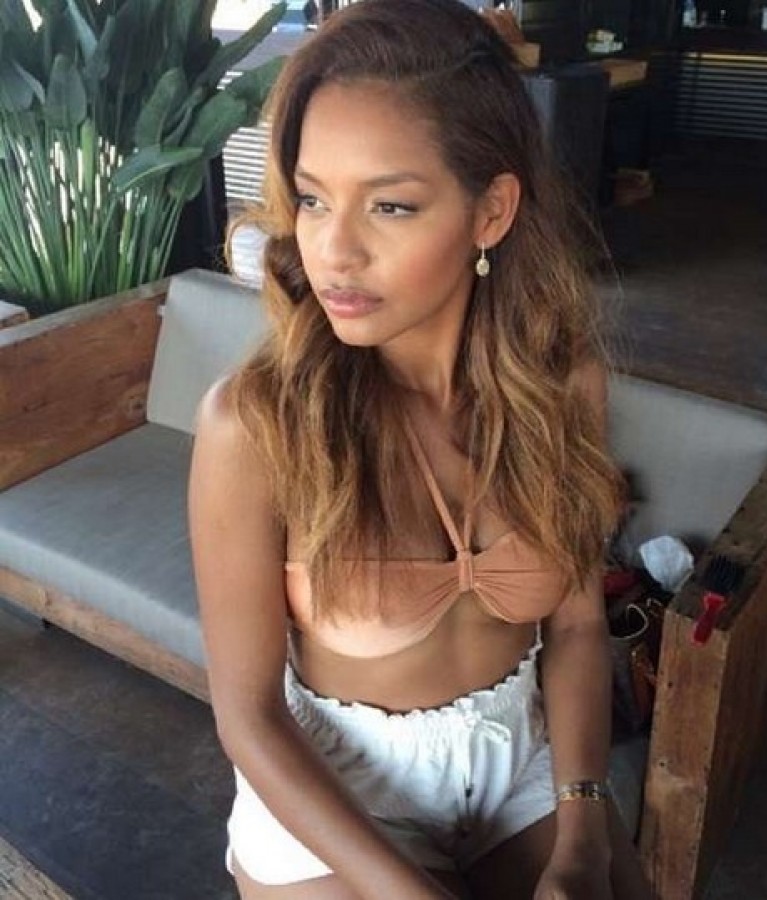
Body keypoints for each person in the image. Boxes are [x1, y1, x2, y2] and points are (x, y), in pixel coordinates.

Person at [189, 1, 653, 897]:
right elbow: (249, 719)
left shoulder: (562, 389)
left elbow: (576, 625)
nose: (333, 251)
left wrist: (584, 834)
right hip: (334, 788)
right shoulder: (255, 424)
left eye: (391, 206)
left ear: (492, 211)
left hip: (518, 761)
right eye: (313, 199)